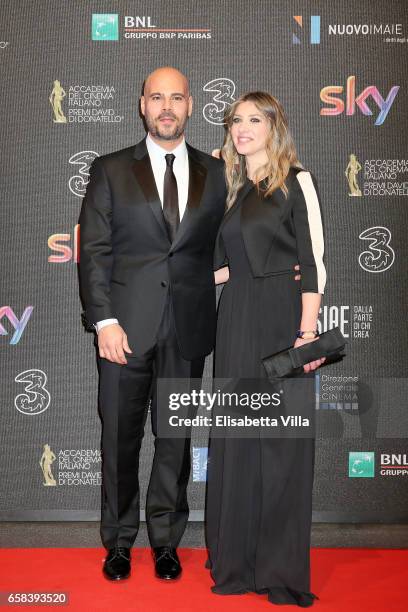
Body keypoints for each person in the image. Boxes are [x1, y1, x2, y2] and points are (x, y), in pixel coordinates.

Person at [78, 67, 227, 581]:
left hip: (187, 331)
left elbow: (225, 245)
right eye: (157, 97)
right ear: (141, 105)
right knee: (119, 440)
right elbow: (93, 253)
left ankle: (166, 541)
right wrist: (104, 322)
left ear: (191, 106)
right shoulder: (111, 169)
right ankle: (118, 541)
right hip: (124, 330)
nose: (167, 107)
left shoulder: (217, 171)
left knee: (175, 441)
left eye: (177, 98)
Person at [205, 91, 326, 606]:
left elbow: (313, 261)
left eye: (255, 119)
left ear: (274, 126)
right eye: (236, 120)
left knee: (280, 445)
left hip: (281, 321)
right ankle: (235, 560)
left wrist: (307, 333)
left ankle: (277, 569)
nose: (242, 128)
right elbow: (217, 265)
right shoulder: (231, 189)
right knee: (236, 440)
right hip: (235, 318)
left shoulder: (297, 181)